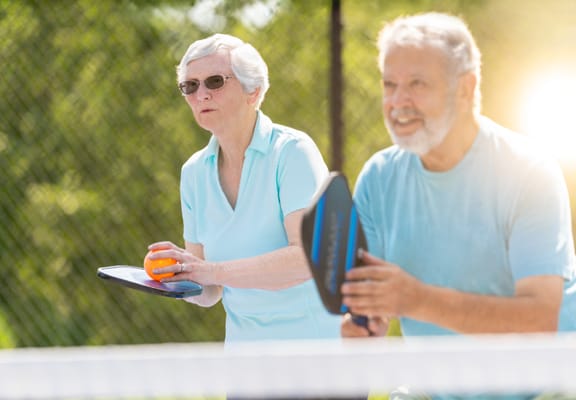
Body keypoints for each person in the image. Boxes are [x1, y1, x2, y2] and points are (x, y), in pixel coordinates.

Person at [340, 12, 576, 399]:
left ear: (465, 89)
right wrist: (362, 326)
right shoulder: (378, 177)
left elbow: (538, 320)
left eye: (417, 84)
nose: (397, 102)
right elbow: (371, 310)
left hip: (543, 388)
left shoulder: (529, 171)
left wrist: (416, 299)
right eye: (390, 84)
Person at [147, 33, 341, 346]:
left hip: (318, 356)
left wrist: (210, 271)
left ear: (254, 91)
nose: (201, 95)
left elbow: (306, 260)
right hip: (245, 360)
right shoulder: (194, 172)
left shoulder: (292, 152)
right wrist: (178, 276)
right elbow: (210, 291)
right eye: (190, 86)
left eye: (214, 81)